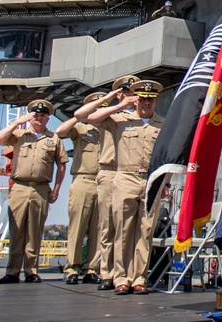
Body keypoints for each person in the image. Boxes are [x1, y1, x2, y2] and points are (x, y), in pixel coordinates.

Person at [78, 79, 165, 295]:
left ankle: (139, 278)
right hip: (124, 176)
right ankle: (121, 279)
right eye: (143, 99)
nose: (146, 103)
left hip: (151, 179)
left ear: (156, 101)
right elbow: (83, 116)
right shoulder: (119, 120)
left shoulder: (162, 124)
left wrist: (165, 182)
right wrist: (116, 102)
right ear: (136, 100)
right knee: (123, 231)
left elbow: (165, 157)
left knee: (144, 232)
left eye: (150, 99)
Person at [74, 76, 138, 291]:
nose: (130, 95)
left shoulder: (144, 117)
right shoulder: (111, 116)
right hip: (110, 172)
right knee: (107, 226)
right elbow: (81, 116)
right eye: (126, 91)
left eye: (133, 91)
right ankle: (107, 273)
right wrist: (114, 101)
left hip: (133, 174)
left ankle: (128, 275)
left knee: (129, 228)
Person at [0, 99, 67, 284]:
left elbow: (62, 165)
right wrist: (17, 123)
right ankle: (12, 271)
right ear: (30, 117)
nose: (38, 119)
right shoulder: (19, 135)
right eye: (35, 116)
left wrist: (57, 189)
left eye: (42, 116)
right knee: (16, 230)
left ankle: (31, 270)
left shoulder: (53, 138)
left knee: (35, 231)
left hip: (41, 188)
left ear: (48, 118)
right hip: (19, 186)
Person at [55, 97, 103, 285]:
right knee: (77, 227)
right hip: (83, 179)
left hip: (104, 181)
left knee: (99, 229)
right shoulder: (81, 128)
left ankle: (91, 268)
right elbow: (60, 131)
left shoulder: (110, 128)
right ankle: (72, 268)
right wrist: (79, 117)